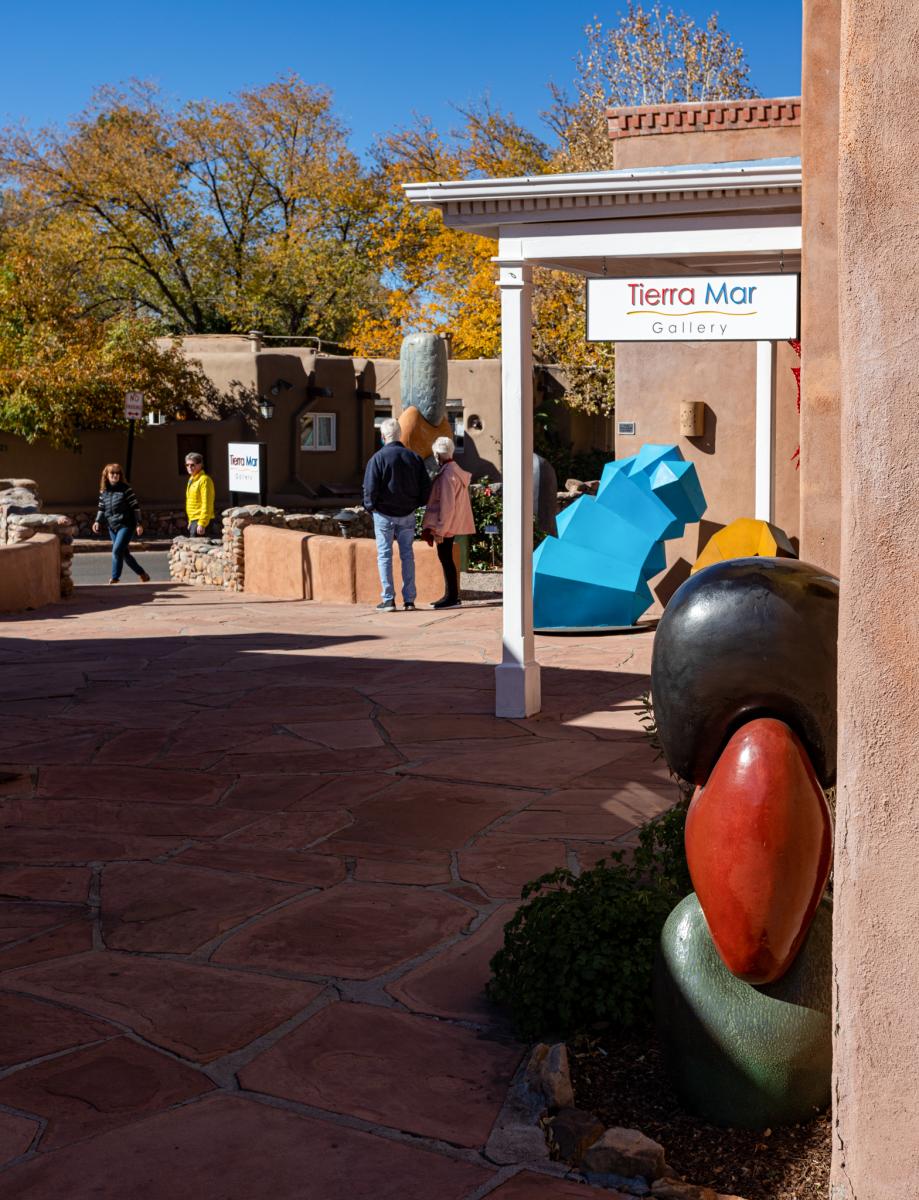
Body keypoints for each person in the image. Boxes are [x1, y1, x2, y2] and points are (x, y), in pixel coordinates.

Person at [362, 416, 431, 612]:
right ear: (400, 435)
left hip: (383, 513)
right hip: (407, 513)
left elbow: (369, 488)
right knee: (407, 555)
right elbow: (426, 488)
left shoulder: (377, 458)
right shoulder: (414, 458)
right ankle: (409, 600)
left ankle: (388, 599)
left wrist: (371, 507)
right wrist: (415, 503)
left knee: (384, 555)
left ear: (383, 436)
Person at [422, 436, 476, 609]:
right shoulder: (454, 470)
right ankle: (451, 595)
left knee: (445, 559)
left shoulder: (447, 474)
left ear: (438, 454)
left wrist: (439, 530)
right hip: (452, 524)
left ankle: (451, 597)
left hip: (446, 526)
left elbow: (447, 507)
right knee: (447, 559)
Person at [92, 463, 150, 585]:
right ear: (107, 475)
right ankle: (142, 574)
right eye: (112, 473)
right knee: (124, 553)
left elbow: (135, 507)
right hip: (112, 526)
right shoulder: (104, 491)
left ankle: (115, 578)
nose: (115, 475)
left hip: (126, 525)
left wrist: (139, 523)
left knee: (117, 550)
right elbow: (101, 508)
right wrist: (97, 521)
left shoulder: (126, 489)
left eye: (117, 473)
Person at [184, 452, 216, 536]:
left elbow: (207, 503)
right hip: (194, 519)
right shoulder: (192, 479)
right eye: (187, 465)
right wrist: (190, 521)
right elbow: (191, 502)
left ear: (200, 465)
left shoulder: (204, 480)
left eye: (192, 465)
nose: (189, 467)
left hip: (201, 520)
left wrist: (202, 523)